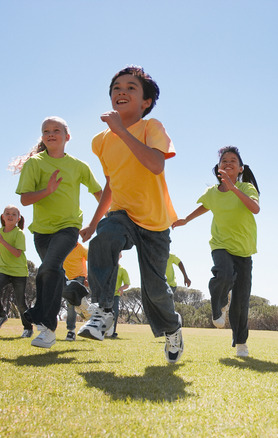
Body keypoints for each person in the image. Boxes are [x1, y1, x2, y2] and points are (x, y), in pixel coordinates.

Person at [79, 66, 184, 363]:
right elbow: (111, 184)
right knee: (104, 239)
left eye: (131, 87)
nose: (121, 91)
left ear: (145, 102)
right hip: (122, 212)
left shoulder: (152, 127)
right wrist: (94, 223)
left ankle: (172, 328)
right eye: (116, 87)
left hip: (154, 221)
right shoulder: (100, 141)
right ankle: (103, 311)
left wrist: (122, 132)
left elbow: (156, 164)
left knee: (155, 290)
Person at [14, 116, 102, 348]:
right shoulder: (34, 164)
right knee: (54, 275)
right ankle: (79, 299)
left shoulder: (79, 166)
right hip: (42, 232)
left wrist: (94, 223)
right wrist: (48, 190)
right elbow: (25, 199)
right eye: (46, 131)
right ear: (42, 137)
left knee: (48, 268)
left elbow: (99, 193)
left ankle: (46, 328)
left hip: (68, 227)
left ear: (67, 136)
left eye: (56, 130)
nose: (50, 134)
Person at [173, 146, 260, 358]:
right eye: (224, 161)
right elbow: (205, 205)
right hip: (220, 244)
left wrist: (233, 188)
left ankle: (241, 343)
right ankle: (219, 304)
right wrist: (186, 219)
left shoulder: (247, 187)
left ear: (240, 169)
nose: (228, 163)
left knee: (241, 302)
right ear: (218, 167)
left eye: (233, 161)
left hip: (244, 251)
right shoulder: (212, 192)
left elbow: (255, 208)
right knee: (224, 273)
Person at [0, 205, 33, 338]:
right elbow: (2, 250)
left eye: (14, 214)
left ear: (18, 218)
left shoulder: (19, 233)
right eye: (7, 213)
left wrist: (2, 241)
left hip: (19, 272)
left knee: (20, 303)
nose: (10, 216)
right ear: (3, 217)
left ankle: (28, 328)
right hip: (4, 269)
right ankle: (1, 315)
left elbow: (17, 253)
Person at [62, 241, 89, 341]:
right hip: (66, 279)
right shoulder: (63, 247)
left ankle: (71, 331)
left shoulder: (82, 248)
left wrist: (88, 277)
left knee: (71, 304)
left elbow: (92, 261)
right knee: (73, 304)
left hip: (79, 277)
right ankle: (85, 313)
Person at [105, 257, 130, 338]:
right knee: (104, 312)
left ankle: (112, 332)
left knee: (114, 313)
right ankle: (103, 331)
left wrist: (121, 288)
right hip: (105, 294)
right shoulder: (106, 268)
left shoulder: (122, 270)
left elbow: (127, 284)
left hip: (115, 295)